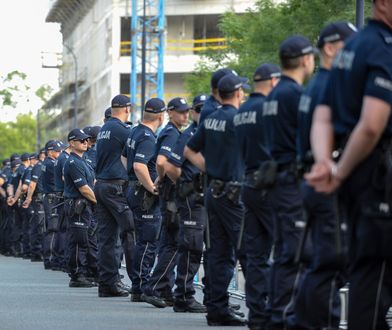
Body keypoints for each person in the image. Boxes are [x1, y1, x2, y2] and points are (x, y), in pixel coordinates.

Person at [306, 1, 392, 328]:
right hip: (378, 176)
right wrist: (336, 171)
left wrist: (327, 162)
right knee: (374, 279)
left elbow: (323, 116)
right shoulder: (381, 47)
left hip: (357, 176)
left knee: (367, 274)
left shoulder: (350, 49)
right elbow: (372, 124)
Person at [295, 22, 356, 330]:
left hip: (311, 179)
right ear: (331, 48)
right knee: (331, 264)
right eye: (350, 46)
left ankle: (304, 322)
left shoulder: (316, 85)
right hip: (325, 180)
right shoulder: (331, 84)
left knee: (320, 263)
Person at [185, 73, 249, 326]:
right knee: (248, 252)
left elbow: (189, 149)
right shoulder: (239, 119)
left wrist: (210, 168)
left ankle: (217, 309)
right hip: (234, 195)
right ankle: (261, 313)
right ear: (238, 93)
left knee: (218, 253)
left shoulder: (210, 118)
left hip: (214, 193)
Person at [262, 35, 315, 330]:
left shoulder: (273, 96)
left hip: (278, 181)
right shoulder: (294, 95)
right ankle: (283, 318)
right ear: (306, 59)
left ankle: (276, 315)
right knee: (294, 255)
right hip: (292, 182)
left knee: (284, 253)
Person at [234, 63, 281, 330]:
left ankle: (257, 314)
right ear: (273, 81)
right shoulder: (268, 108)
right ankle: (277, 312)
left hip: (248, 185)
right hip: (271, 185)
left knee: (256, 254)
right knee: (285, 250)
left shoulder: (242, 112)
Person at [142, 97, 190, 308]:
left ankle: (163, 288)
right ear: (169, 113)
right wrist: (165, 179)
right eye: (181, 112)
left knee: (168, 243)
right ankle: (156, 286)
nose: (185, 115)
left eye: (187, 111)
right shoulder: (171, 133)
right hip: (173, 193)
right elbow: (162, 162)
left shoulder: (170, 132)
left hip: (168, 192)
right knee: (175, 243)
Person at [165, 94, 208, 313]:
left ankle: (214, 297)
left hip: (208, 197)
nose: (200, 113)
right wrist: (185, 184)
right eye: (197, 109)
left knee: (212, 248)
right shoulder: (190, 134)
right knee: (191, 247)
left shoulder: (207, 131)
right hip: (192, 197)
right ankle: (183, 295)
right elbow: (170, 165)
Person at [122, 98, 165, 302]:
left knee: (141, 240)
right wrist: (152, 188)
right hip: (144, 194)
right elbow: (140, 166)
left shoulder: (135, 131)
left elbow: (124, 159)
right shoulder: (148, 137)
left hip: (134, 189)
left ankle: (138, 287)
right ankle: (142, 286)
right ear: (161, 115)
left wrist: (132, 178)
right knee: (148, 241)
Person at [94, 94, 134, 297]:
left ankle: (107, 284)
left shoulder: (104, 130)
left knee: (107, 238)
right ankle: (139, 283)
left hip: (101, 186)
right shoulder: (122, 129)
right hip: (115, 188)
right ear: (127, 109)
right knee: (132, 231)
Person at [63, 128, 98, 287]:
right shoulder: (73, 162)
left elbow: (93, 183)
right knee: (78, 241)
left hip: (85, 206)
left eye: (86, 140)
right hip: (78, 205)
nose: (85, 143)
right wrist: (99, 202)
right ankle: (77, 276)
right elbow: (84, 188)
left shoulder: (83, 161)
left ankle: (86, 273)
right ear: (72, 143)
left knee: (87, 240)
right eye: (81, 140)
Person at [41, 140, 63, 269]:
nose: (60, 153)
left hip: (51, 198)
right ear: (50, 152)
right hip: (52, 198)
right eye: (57, 151)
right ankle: (51, 259)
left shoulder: (47, 163)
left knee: (53, 228)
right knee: (53, 229)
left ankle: (51, 258)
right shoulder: (51, 164)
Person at [23, 152, 46, 262]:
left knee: (38, 225)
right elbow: (32, 184)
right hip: (38, 199)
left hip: (40, 199)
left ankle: (37, 252)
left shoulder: (40, 165)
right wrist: (29, 198)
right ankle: (37, 252)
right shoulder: (38, 166)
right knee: (38, 226)